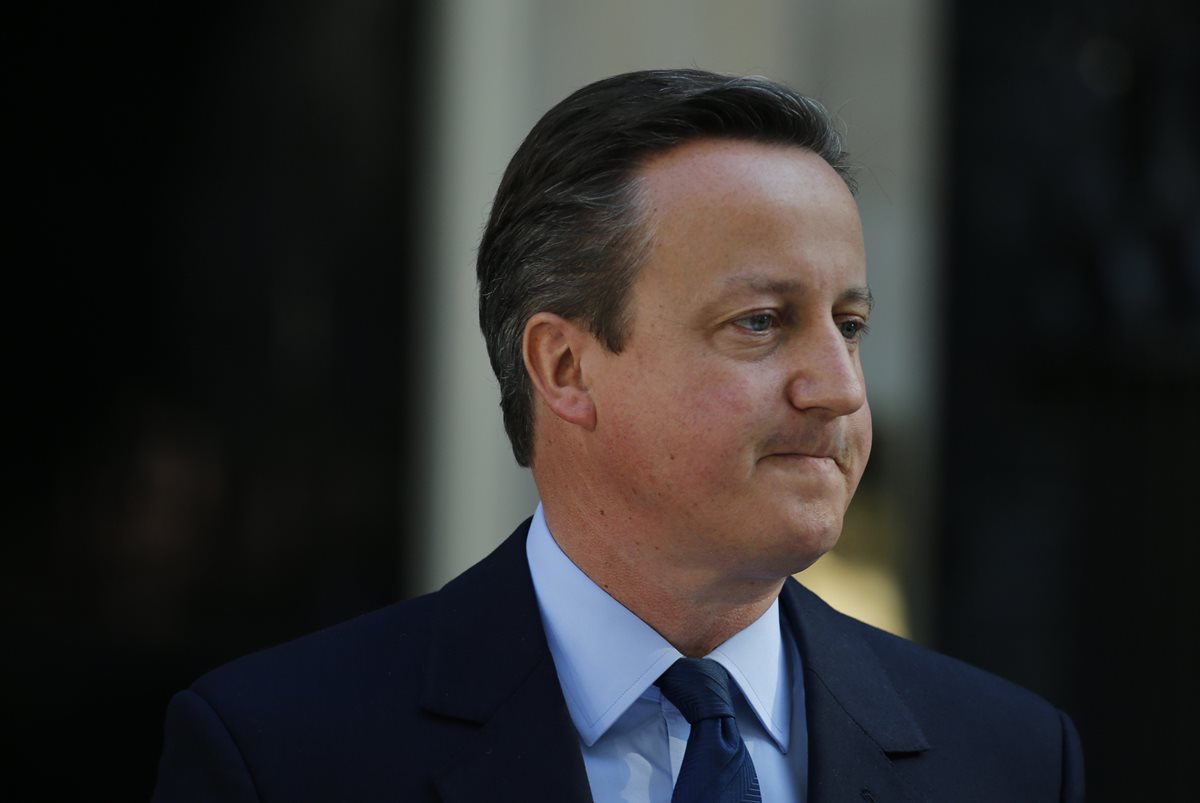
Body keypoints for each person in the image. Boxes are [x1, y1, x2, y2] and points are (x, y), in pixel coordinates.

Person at [153, 69, 1083, 803]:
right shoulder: (280, 753)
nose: (838, 388)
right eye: (761, 322)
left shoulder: (1011, 759)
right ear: (565, 368)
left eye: (849, 325)